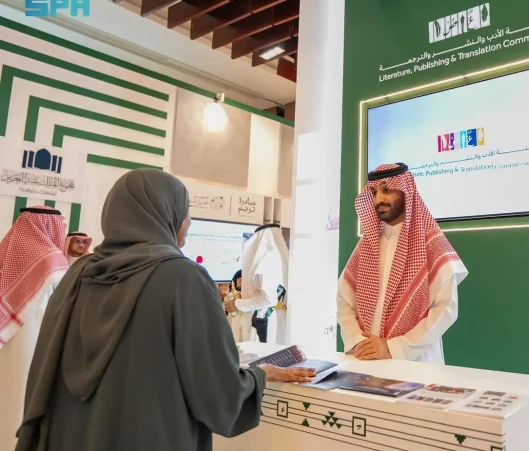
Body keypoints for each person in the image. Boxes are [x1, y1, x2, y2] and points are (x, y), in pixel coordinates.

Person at [16, 169, 314, 451]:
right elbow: (218, 395)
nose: (189, 221)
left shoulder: (79, 273)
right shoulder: (183, 279)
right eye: (184, 210)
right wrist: (259, 375)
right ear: (163, 214)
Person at [337, 163, 468, 364]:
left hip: (415, 362)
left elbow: (446, 308)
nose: (379, 199)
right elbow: (344, 299)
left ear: (406, 192)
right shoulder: (368, 243)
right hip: (367, 359)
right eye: (374, 192)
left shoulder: (430, 242)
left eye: (387, 190)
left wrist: (393, 348)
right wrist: (357, 340)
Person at [0, 207, 68, 451]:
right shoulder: (54, 263)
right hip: (34, 346)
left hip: (6, 341)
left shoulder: (5, 250)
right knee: (20, 400)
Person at [240, 223, 289, 345]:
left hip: (264, 323)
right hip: (275, 319)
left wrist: (238, 304)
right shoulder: (278, 256)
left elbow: (267, 300)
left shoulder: (267, 258)